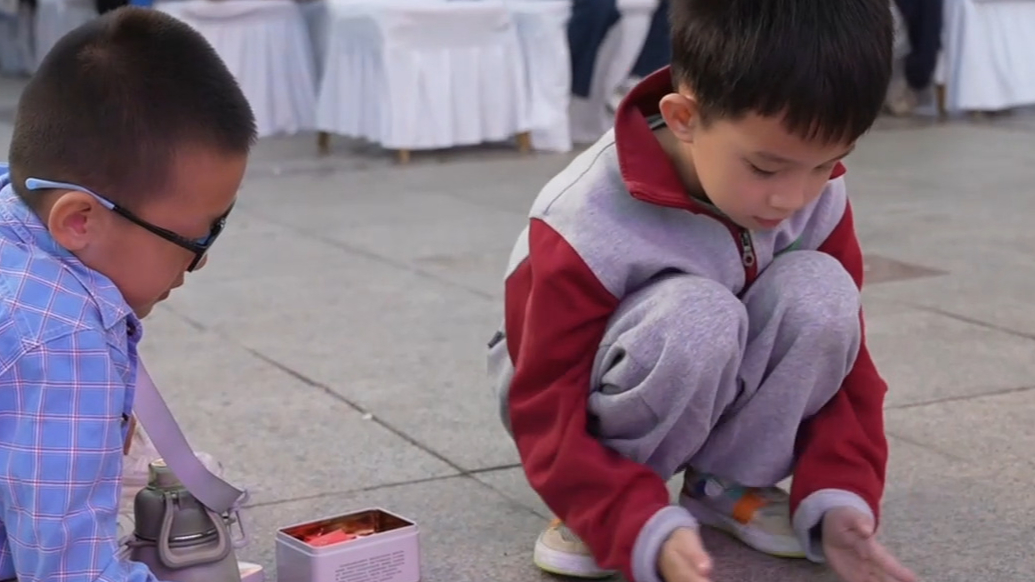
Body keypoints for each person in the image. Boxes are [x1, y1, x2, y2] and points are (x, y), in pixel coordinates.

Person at [486, 1, 917, 581]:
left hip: (713, 365)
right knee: (697, 314)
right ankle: (597, 506)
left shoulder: (816, 192)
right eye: (766, 169)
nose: (792, 198)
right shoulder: (582, 217)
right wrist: (623, 515)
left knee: (823, 292)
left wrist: (842, 491)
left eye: (826, 164)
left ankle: (723, 486)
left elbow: (849, 365)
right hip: (577, 400)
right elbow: (543, 398)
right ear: (684, 117)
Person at [0, 7, 255, 581]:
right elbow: (71, 572)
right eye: (190, 236)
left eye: (219, 226)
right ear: (80, 220)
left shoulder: (15, 209)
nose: (202, 258)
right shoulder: (60, 341)